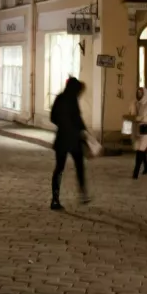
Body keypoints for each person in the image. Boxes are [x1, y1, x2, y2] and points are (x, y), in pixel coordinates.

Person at [49, 77, 89, 210]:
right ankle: (83, 193)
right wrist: (83, 132)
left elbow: (53, 117)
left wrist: (62, 124)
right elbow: (77, 119)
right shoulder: (72, 100)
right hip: (73, 140)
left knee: (59, 169)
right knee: (79, 166)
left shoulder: (60, 98)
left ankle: (55, 198)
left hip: (61, 139)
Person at [128, 87, 147, 179]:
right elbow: (130, 115)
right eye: (138, 93)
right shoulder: (133, 103)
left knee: (140, 150)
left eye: (141, 93)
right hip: (135, 130)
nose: (139, 95)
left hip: (145, 130)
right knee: (140, 149)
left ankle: (135, 172)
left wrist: (144, 119)